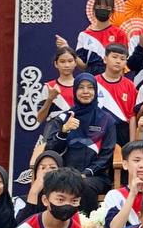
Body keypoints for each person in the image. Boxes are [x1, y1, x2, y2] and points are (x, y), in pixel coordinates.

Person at [45, 72, 115, 214]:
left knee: (84, 185)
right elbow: (51, 150)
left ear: (95, 91)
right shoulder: (63, 118)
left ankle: (86, 225)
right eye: (81, 87)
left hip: (94, 176)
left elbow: (107, 154)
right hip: (64, 174)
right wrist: (64, 131)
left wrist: (87, 172)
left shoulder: (106, 120)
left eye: (90, 87)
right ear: (75, 91)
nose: (85, 91)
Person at [67, 0, 130, 77]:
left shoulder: (119, 33)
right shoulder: (84, 35)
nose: (102, 10)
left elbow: (122, 63)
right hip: (91, 80)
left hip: (112, 80)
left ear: (112, 11)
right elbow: (82, 65)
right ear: (93, 10)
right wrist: (67, 48)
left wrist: (118, 82)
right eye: (99, 7)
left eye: (107, 8)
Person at [102, 139, 143, 228]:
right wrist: (132, 194)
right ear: (125, 164)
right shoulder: (114, 195)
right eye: (136, 160)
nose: (142, 165)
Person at [97, 42, 138, 146]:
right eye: (114, 57)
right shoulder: (93, 82)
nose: (118, 61)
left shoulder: (130, 85)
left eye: (122, 59)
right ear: (105, 59)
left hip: (121, 132)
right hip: (98, 130)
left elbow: (132, 116)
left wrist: (132, 143)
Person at [15, 148, 61, 227]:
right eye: (42, 168)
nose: (47, 171)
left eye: (52, 168)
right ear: (36, 172)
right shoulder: (21, 201)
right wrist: (34, 192)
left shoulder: (67, 199)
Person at [37, 45, 79, 125]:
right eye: (62, 61)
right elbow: (40, 119)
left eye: (70, 61)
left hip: (77, 130)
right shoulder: (49, 87)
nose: (67, 65)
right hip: (55, 130)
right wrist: (50, 99)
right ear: (56, 64)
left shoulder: (81, 86)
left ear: (75, 63)